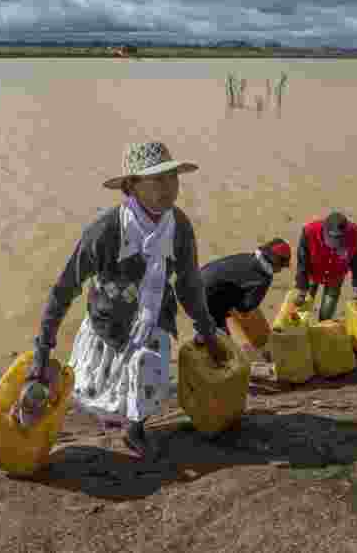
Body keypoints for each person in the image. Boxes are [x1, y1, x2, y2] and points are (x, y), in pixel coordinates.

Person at [23, 141, 227, 460]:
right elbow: (65, 289)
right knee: (101, 391)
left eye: (172, 178)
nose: (168, 188)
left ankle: (135, 430)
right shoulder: (105, 231)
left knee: (148, 373)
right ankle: (113, 422)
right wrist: (42, 351)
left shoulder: (179, 227)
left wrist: (208, 331)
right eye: (157, 180)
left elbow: (188, 285)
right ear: (132, 186)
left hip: (156, 316)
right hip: (110, 322)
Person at [200, 239, 292, 337]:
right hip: (208, 300)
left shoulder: (246, 257)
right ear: (277, 264)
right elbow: (246, 307)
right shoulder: (263, 278)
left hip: (196, 283)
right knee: (223, 338)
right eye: (282, 266)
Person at [293, 211, 357, 321]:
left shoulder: (356, 234)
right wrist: (301, 289)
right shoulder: (309, 232)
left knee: (326, 314)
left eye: (339, 240)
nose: (334, 244)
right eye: (332, 239)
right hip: (312, 274)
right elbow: (302, 261)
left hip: (335, 277)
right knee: (301, 314)